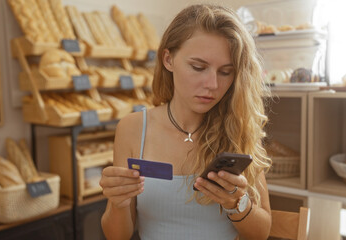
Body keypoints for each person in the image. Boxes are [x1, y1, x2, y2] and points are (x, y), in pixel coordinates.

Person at [100, 4, 272, 240]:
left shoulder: (238, 127)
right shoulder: (133, 129)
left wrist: (237, 203)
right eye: (198, 67)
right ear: (168, 60)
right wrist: (118, 203)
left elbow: (262, 233)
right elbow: (117, 236)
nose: (212, 84)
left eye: (225, 72)